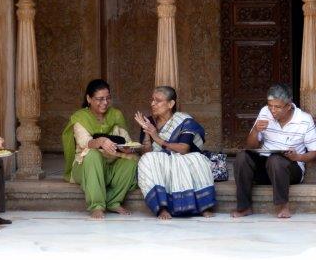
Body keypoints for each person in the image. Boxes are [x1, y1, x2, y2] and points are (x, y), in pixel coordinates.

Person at [231, 84, 316, 219]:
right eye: (270, 106)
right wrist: (255, 131)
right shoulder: (265, 112)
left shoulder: (304, 119)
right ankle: (244, 207)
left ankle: (283, 207)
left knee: (276, 160)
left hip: (290, 169)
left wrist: (297, 157)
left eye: (277, 107)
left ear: (288, 106)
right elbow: (250, 145)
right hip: (265, 167)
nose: (272, 110)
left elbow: (313, 152)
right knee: (242, 157)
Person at [135, 86, 216, 220]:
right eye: (152, 100)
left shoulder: (184, 120)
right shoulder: (148, 121)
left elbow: (184, 148)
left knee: (197, 159)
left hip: (183, 159)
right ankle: (162, 208)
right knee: (147, 160)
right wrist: (147, 133)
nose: (152, 104)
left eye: (158, 101)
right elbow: (146, 152)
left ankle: (203, 207)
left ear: (170, 104)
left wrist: (157, 138)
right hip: (161, 162)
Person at [62, 79, 138, 219]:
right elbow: (85, 142)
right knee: (93, 155)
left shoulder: (116, 115)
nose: (105, 102)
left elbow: (126, 141)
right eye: (100, 99)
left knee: (132, 160)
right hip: (86, 166)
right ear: (89, 99)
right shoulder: (80, 117)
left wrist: (128, 149)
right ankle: (96, 205)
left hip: (110, 165)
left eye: (108, 98)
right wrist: (101, 141)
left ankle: (113, 201)